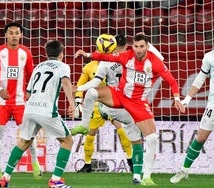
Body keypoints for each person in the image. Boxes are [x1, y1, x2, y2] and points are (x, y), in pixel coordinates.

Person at [74, 33, 185, 185]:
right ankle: (84, 126)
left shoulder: (155, 63)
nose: (138, 50)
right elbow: (107, 58)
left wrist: (177, 99)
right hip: (119, 95)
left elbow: (172, 81)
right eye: (136, 46)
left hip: (137, 104)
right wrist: (87, 54)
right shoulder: (127, 56)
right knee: (93, 93)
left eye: (142, 46)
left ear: (147, 47)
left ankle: (144, 176)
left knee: (150, 139)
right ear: (131, 46)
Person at [0, 40, 75, 188]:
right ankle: (56, 180)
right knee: (67, 141)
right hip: (46, 110)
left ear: (46, 53)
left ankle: (5, 177)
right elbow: (66, 82)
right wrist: (72, 103)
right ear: (61, 54)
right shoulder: (63, 66)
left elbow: (27, 93)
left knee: (24, 142)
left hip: (30, 109)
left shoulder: (38, 67)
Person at [71, 34, 134, 173]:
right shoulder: (89, 67)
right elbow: (81, 84)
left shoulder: (116, 62)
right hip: (96, 104)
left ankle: (131, 161)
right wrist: (77, 101)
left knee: (122, 131)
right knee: (90, 134)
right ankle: (87, 165)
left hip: (112, 100)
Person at [0, 22, 41, 181]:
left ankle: (35, 162)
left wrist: (30, 92)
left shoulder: (26, 52)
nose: (14, 36)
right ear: (5, 35)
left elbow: (32, 74)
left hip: (20, 102)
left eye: (17, 33)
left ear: (21, 35)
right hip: (1, 102)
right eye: (10, 33)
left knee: (28, 134)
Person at [170, 49, 213, 184]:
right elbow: (200, 78)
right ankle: (184, 170)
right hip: (213, 104)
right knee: (201, 138)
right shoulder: (209, 57)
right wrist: (187, 99)